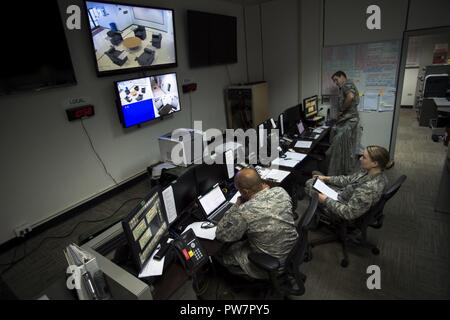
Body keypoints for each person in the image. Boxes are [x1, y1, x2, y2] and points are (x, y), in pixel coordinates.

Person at [215, 168, 298, 280]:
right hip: (292, 251)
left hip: (270, 265)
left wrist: (237, 205)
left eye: (239, 191)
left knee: (224, 253)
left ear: (245, 192)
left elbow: (222, 235)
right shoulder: (280, 191)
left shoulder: (244, 211)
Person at [305, 145, 394, 221]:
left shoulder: (369, 188)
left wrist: (325, 200)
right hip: (345, 195)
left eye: (364, 157)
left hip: (344, 209)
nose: (360, 159)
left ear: (375, 163)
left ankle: (312, 218)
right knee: (316, 177)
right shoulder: (372, 172)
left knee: (310, 184)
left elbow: (348, 213)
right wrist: (326, 178)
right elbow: (349, 180)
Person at [327, 71, 361, 176]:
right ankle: (342, 171)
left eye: (336, 80)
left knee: (340, 147)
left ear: (342, 77)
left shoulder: (347, 84)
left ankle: (335, 174)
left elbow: (350, 97)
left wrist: (342, 110)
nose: (336, 83)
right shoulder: (348, 85)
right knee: (345, 148)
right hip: (349, 121)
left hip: (349, 122)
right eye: (334, 81)